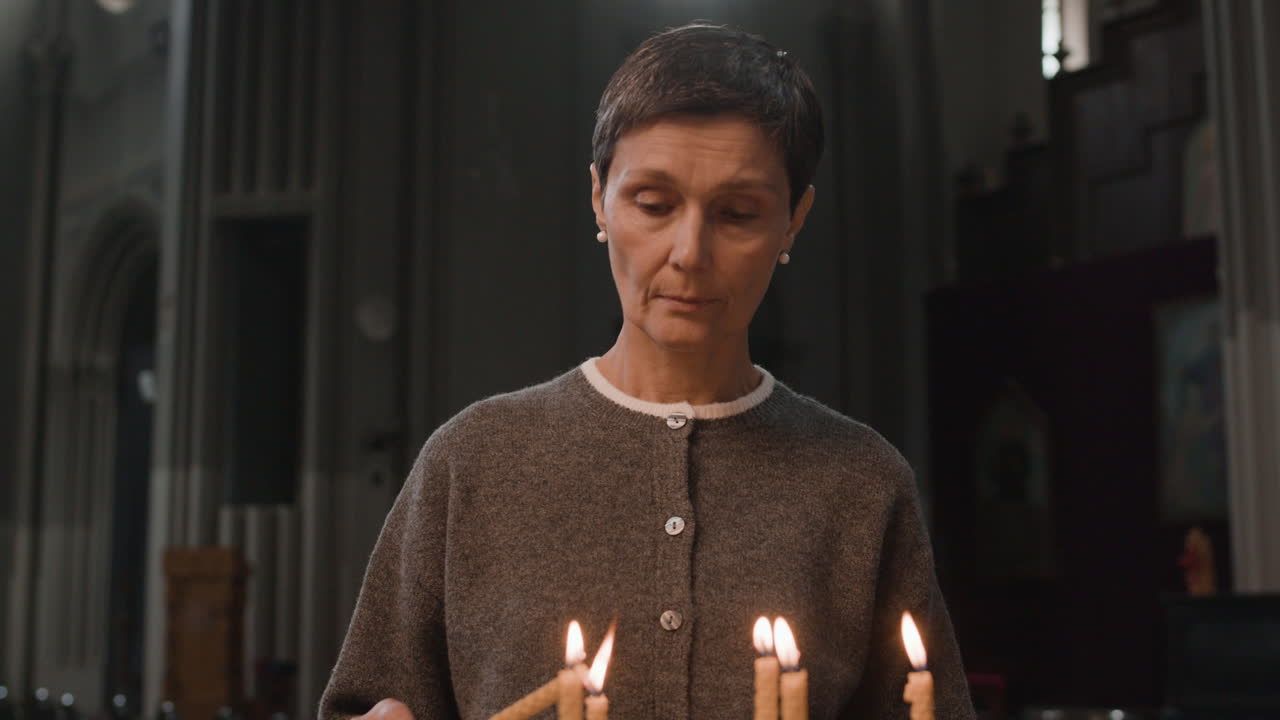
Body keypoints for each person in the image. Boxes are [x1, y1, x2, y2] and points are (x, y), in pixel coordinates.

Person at [320, 23, 974, 720]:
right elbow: (371, 701)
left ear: (794, 222)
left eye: (739, 213)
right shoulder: (473, 462)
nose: (690, 251)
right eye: (654, 205)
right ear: (599, 198)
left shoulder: (860, 485)